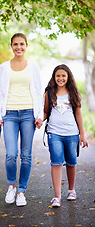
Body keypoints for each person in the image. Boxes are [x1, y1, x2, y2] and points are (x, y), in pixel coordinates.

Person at [0, 33, 43, 207]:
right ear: (11, 46)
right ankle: (12, 186)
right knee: (10, 154)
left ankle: (22, 191)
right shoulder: (3, 67)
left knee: (26, 155)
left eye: (22, 44)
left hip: (28, 113)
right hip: (9, 114)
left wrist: (39, 115)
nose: (19, 47)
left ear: (26, 45)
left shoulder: (33, 67)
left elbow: (38, 92)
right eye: (15, 44)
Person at [43, 64, 88, 207]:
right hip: (54, 132)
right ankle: (57, 196)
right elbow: (45, 112)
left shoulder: (73, 92)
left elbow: (78, 114)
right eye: (58, 76)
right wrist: (39, 120)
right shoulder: (49, 93)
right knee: (56, 162)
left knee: (71, 162)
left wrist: (82, 134)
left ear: (68, 77)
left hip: (72, 133)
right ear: (54, 77)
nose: (60, 78)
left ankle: (71, 190)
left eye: (63, 75)